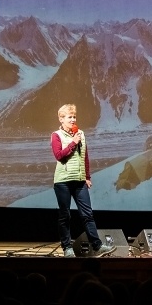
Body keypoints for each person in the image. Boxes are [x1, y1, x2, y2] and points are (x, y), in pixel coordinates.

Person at [51, 103, 114, 258]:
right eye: (69, 117)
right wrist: (73, 143)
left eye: (74, 117)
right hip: (63, 181)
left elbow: (85, 156)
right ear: (61, 119)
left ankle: (97, 246)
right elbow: (59, 155)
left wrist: (87, 177)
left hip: (80, 181)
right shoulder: (56, 135)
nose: (73, 120)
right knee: (65, 215)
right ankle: (67, 248)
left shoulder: (81, 134)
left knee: (87, 214)